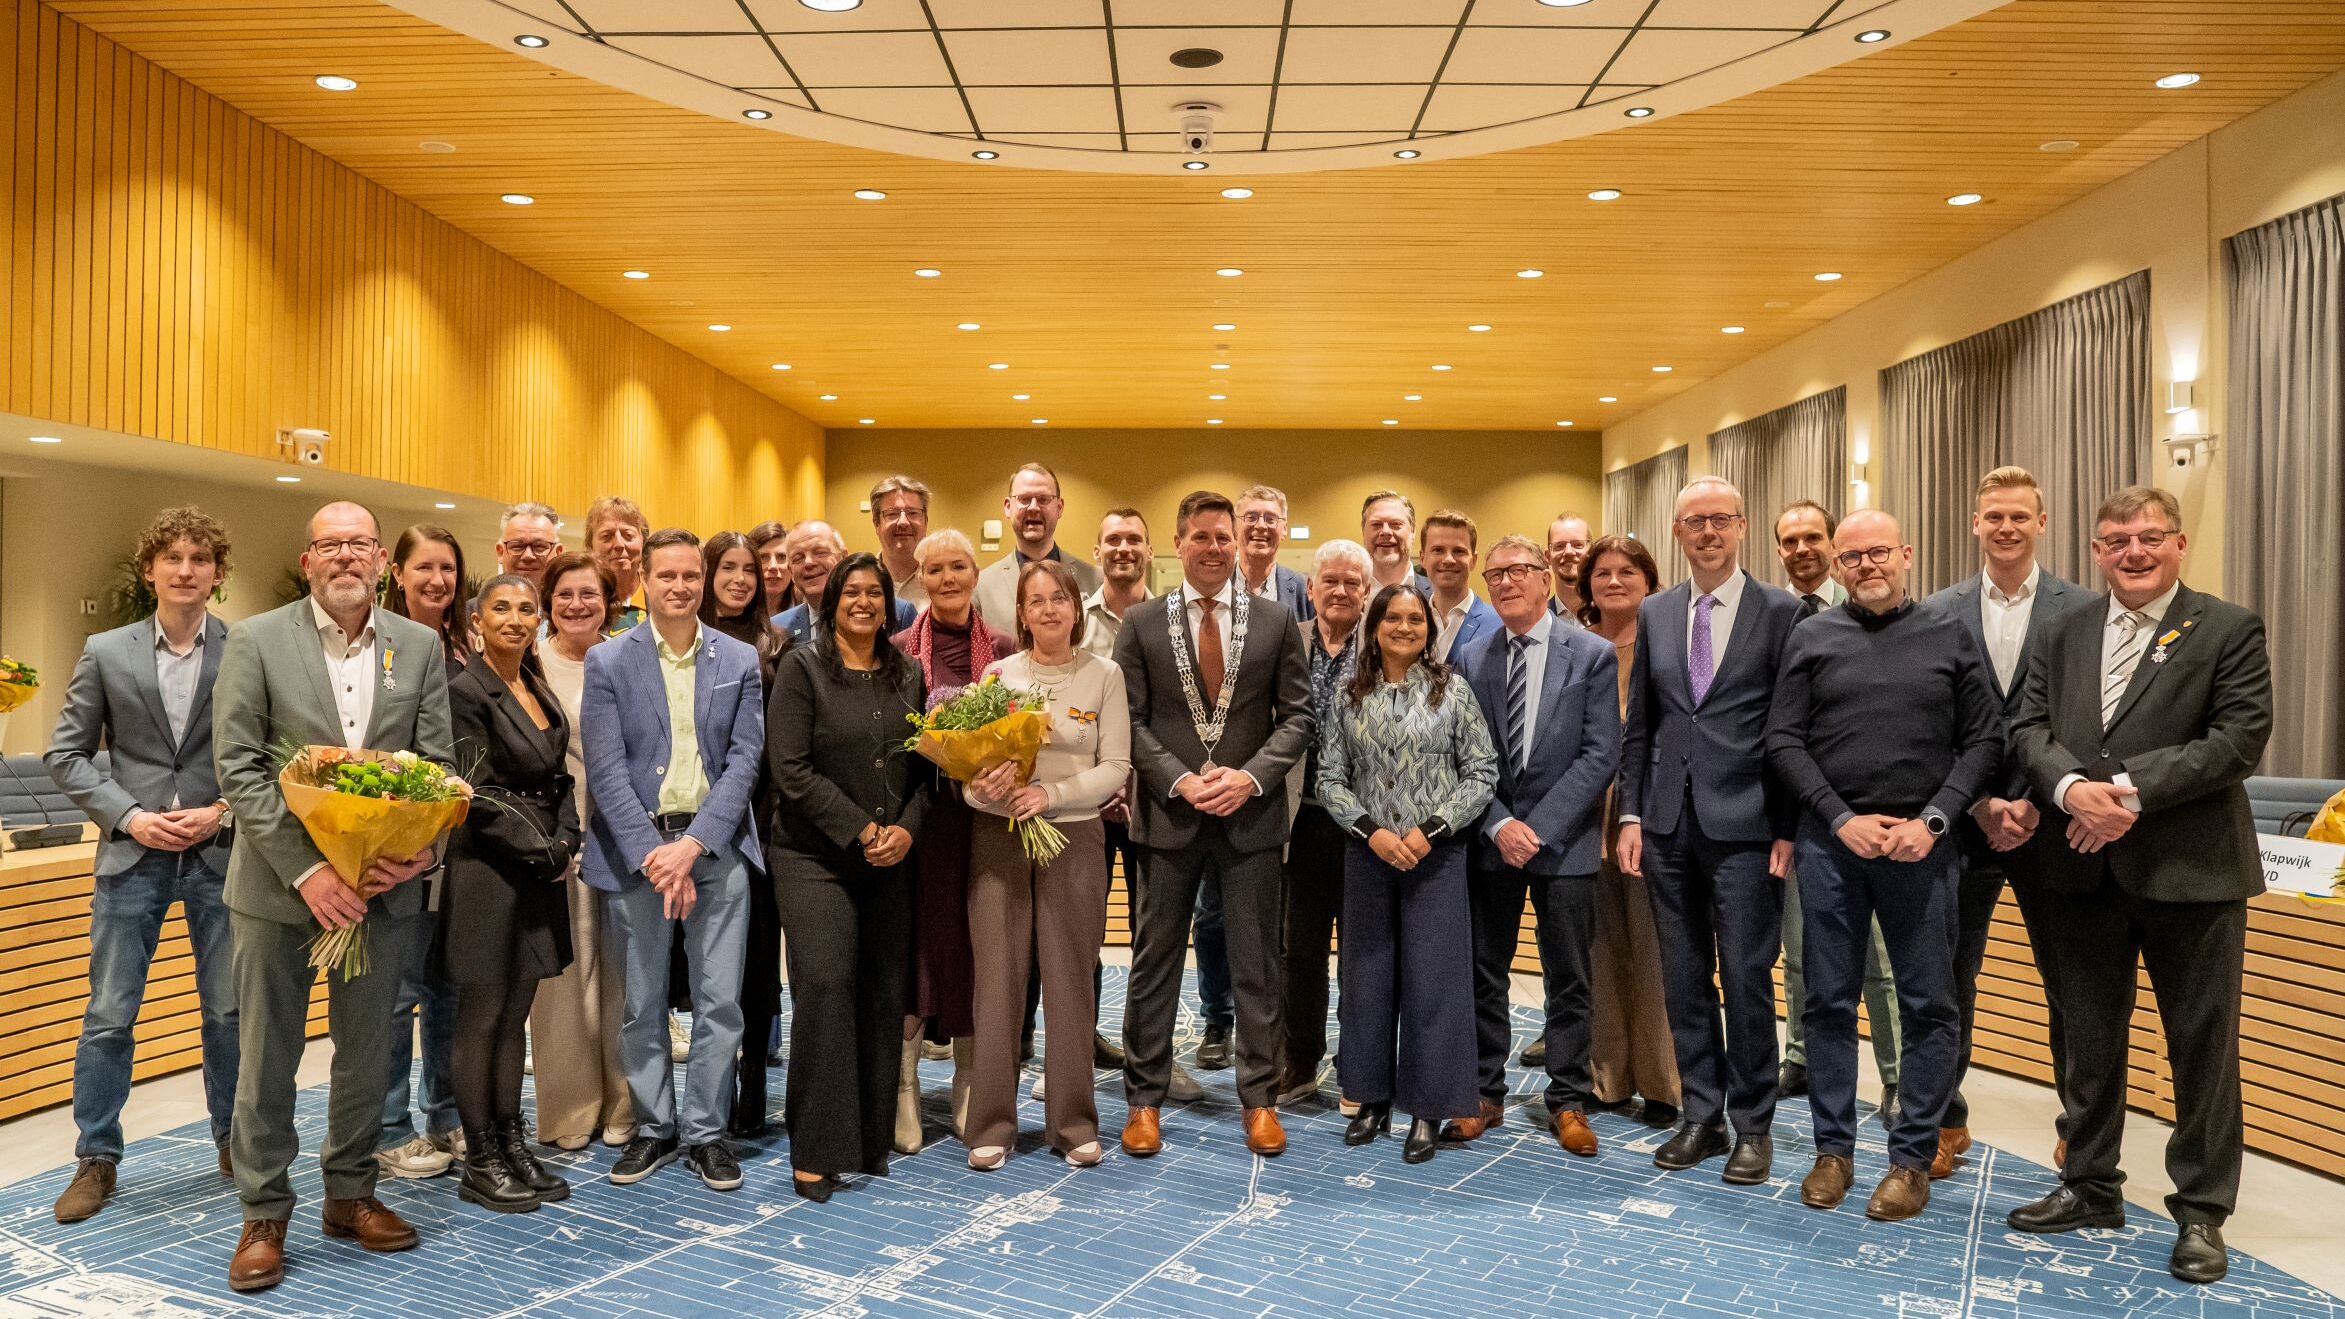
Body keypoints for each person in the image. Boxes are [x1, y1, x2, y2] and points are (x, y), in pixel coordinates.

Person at [2008, 486, 2272, 1285]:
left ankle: (2199, 1210)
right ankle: (2088, 1184)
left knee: (2200, 1046)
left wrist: (2119, 791)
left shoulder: (2228, 627)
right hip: (2078, 868)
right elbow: (2027, 729)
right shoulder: (2060, 633)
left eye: (2148, 537)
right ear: (2094, 549)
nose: (2132, 551)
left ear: (2178, 542)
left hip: (2191, 873)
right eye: (2115, 539)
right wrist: (2064, 790)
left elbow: (2237, 739)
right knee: (2086, 1037)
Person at [213, 501, 451, 1293]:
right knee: (268, 1057)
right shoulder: (254, 639)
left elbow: (440, 768)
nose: (345, 557)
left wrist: (411, 854)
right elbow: (240, 768)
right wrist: (309, 870)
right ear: (308, 559)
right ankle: (264, 1211)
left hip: (382, 892)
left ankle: (351, 1195)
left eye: (359, 544)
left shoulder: (417, 646)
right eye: (330, 545)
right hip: (281, 892)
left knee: (368, 1053)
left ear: (382, 560)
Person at [1766, 510, 2003, 1223]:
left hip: (1921, 848)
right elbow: (1782, 739)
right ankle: (1832, 1151)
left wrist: (1932, 821)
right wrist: (1839, 817)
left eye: (1877, 552)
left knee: (1929, 1005)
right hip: (1831, 844)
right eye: (1851, 557)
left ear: (1905, 553)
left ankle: (1909, 1160)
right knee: (1827, 1003)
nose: (1865, 565)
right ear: (1837, 568)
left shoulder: (1948, 633)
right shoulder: (1810, 636)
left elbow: (1983, 739)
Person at [44, 507, 238, 1224]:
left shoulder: (244, 648)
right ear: (149, 569)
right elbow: (64, 753)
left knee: (229, 1011)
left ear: (217, 572)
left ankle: (234, 1141)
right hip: (133, 855)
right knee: (108, 1014)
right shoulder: (106, 649)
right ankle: (97, 1157)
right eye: (172, 557)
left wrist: (220, 809)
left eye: (199, 557)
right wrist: (130, 815)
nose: (185, 568)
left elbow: (271, 755)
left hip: (221, 853)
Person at [1115, 490, 1314, 1160]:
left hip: (1248, 816)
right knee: (1153, 963)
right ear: (1178, 543)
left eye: (1221, 537)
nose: (1212, 548)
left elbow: (1297, 718)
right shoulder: (1142, 623)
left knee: (1257, 964)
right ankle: (1143, 1098)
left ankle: (1258, 1098)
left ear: (1237, 544)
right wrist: (1177, 776)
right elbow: (1129, 722)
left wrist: (1249, 776)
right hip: (1168, 815)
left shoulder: (1275, 621)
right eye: (1199, 537)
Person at [1617, 476, 1801, 1186]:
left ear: (1741, 526)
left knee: (1748, 977)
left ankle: (1753, 1125)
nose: (1707, 532)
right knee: (1684, 975)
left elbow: (1789, 731)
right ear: (1676, 532)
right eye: (1694, 521)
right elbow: (1644, 723)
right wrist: (1630, 814)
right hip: (1665, 823)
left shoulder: (1780, 612)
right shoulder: (1657, 611)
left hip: (1748, 826)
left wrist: (1786, 826)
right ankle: (1702, 1112)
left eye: (1719, 519)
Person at [580, 528, 765, 1193]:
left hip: (716, 849)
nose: (680, 586)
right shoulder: (608, 661)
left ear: (703, 581)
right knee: (642, 1002)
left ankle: (706, 1132)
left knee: (720, 1003)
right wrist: (657, 855)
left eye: (691, 575)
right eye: (667, 576)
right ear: (644, 583)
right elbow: (603, 770)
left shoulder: (738, 658)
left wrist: (693, 846)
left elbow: (745, 760)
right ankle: (655, 1125)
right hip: (637, 857)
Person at [1921, 467, 2093, 1178]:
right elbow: (1927, 725)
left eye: (2018, 516)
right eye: (1992, 516)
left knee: (2070, 986)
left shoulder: (2084, 608)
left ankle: (2078, 1129)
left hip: (2050, 824)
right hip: (1960, 826)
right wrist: (1981, 801)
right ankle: (1941, 1121)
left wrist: (2029, 798)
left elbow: (2086, 719)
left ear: (2041, 522)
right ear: (1974, 523)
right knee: (1944, 983)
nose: (2005, 527)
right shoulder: (1935, 611)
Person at [1445, 535, 1620, 1154]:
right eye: (1495, 574)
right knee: (1484, 972)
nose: (1506, 582)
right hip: (1490, 842)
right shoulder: (1471, 657)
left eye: (1519, 570)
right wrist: (1498, 824)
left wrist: (1537, 828)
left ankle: (1567, 1099)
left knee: (1569, 976)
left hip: (1563, 844)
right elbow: (1462, 758)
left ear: (1545, 578)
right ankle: (1483, 1093)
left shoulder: (1592, 654)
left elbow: (1602, 754)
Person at [766, 555, 930, 1203]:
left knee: (882, 989)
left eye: (874, 592)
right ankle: (814, 1148)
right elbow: (790, 768)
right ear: (831, 600)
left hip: (892, 856)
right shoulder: (801, 668)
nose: (863, 601)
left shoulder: (907, 671)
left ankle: (865, 1139)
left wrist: (907, 830)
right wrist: (863, 830)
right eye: (851, 591)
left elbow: (924, 770)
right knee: (828, 986)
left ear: (887, 604)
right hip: (815, 857)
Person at [961, 560, 1133, 1169]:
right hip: (1001, 842)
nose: (1050, 609)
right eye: (1036, 601)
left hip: (1075, 839)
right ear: (1022, 613)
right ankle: (991, 1124)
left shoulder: (1105, 676)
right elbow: (969, 775)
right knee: (998, 985)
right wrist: (984, 790)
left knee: (1069, 984)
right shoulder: (998, 675)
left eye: (1060, 598)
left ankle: (1073, 1123)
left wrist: (1051, 795)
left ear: (1075, 607)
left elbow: (1117, 767)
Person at [1319, 584, 1497, 1162]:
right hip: (1367, 855)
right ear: (1374, 626)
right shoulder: (1348, 696)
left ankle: (1428, 1106)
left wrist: (1430, 831)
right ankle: (1369, 1098)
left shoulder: (1454, 692)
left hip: (1435, 859)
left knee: (1433, 984)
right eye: (1392, 617)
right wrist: (1371, 830)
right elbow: (1327, 777)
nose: (1403, 626)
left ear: (1429, 629)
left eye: (1415, 618)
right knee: (1366, 980)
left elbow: (1481, 773)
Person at [443, 576, 582, 1213]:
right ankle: (480, 1157)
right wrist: (546, 851)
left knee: (515, 1019)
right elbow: (478, 795)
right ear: (477, 620)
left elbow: (558, 780)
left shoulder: (537, 688)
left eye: (528, 609)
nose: (516, 619)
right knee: (483, 1017)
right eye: (502, 608)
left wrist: (569, 839)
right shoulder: (465, 692)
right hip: (489, 874)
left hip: (540, 870)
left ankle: (510, 1141)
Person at [1770, 500, 1901, 1115]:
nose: (1801, 549)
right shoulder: (1776, 617)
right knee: (1800, 951)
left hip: (1875, 813)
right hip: (1804, 812)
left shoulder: (1881, 614)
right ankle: (1799, 1054)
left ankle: (1896, 1073)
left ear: (1835, 548)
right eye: (1789, 540)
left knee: (1876, 959)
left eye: (1812, 538)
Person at [1078, 509, 1201, 1096]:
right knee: (1079, 932)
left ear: (1152, 549)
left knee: (1157, 939)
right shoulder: (1072, 615)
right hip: (1084, 807)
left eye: (1134, 539)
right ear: (1095, 549)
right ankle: (1073, 1053)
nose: (1123, 548)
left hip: (1158, 802)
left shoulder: (1176, 619)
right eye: (1113, 540)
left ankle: (1150, 1057)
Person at [891, 528, 1002, 1151]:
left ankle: (968, 1075)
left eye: (959, 566)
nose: (948, 578)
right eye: (935, 570)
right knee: (917, 949)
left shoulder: (1006, 651)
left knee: (973, 948)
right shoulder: (900, 651)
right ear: (921, 578)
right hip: (921, 826)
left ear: (975, 570)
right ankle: (904, 1085)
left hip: (985, 828)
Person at [1572, 536, 1682, 1127]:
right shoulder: (1576, 643)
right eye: (1603, 573)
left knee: (1655, 949)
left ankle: (1664, 1083)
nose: (1614, 582)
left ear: (1648, 578)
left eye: (1627, 571)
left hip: (1650, 811)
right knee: (1601, 948)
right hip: (1586, 815)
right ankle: (1608, 1078)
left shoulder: (1670, 640)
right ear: (1588, 585)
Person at [528, 553, 635, 1152]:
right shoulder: (531, 665)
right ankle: (570, 1106)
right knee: (562, 975)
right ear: (549, 602)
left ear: (608, 601)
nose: (576, 604)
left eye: (589, 593)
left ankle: (625, 1100)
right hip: (556, 838)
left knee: (624, 971)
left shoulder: (627, 658)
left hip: (625, 835)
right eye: (564, 593)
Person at [376, 525, 470, 1182]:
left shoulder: (471, 646)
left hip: (462, 848)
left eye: (448, 568)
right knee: (396, 992)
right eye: (425, 567)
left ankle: (445, 1110)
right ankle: (388, 1127)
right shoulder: (376, 647)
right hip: (395, 846)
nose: (437, 579)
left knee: (448, 989)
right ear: (399, 573)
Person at [1273, 539, 1369, 1106]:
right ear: (1309, 589)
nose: (1339, 591)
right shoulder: (1288, 642)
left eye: (1352, 583)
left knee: (1362, 953)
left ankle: (1359, 1063)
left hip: (1362, 825)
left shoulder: (1383, 646)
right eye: (1329, 581)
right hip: (1298, 820)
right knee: (1299, 952)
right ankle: (1299, 1061)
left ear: (1365, 592)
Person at [698, 529, 788, 1135]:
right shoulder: (682, 640)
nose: (738, 580)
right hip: (690, 822)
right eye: (726, 568)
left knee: (757, 964)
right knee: (702, 969)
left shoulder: (778, 645)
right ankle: (699, 1089)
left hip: (761, 823)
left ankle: (752, 1079)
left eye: (747, 570)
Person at [976, 463, 1103, 635]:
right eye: (1024, 499)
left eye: (1043, 499)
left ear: (1059, 507)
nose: (1034, 507)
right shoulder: (982, 586)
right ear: (1007, 506)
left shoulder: (1095, 580)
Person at [774, 519, 915, 642]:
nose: (809, 563)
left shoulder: (899, 614)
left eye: (820, 552)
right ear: (790, 570)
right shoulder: (778, 628)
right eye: (798, 558)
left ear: (843, 557)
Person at [1421, 510, 1499, 663]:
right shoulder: (1409, 623)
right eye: (1438, 550)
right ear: (1423, 558)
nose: (1449, 559)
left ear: (1474, 560)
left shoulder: (1498, 624)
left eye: (1458, 551)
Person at [1235, 484, 1313, 621]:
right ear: (1235, 526)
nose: (1260, 525)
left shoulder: (1303, 589)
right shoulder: (1216, 585)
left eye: (1271, 519)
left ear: (1284, 529)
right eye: (1251, 517)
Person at [586, 496, 650, 633]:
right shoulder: (579, 601)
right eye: (606, 536)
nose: (619, 545)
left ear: (643, 542)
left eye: (628, 535)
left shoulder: (660, 597)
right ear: (590, 545)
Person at [870, 474, 932, 608]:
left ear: (925, 522)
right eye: (892, 513)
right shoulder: (861, 580)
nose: (903, 522)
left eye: (913, 513)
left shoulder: (942, 582)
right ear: (876, 524)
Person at [1360, 490, 1432, 596]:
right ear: (1363, 531)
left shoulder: (1439, 593)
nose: (1385, 532)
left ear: (1413, 531)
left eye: (1396, 524)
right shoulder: (1347, 594)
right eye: (1376, 524)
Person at [492, 502, 564, 594]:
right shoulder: (475, 608)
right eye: (517, 546)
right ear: (500, 552)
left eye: (539, 546)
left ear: (558, 553)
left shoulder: (572, 607)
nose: (528, 556)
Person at [1546, 514, 1592, 617]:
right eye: (1559, 546)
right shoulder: (1537, 620)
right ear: (1548, 556)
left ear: (1591, 553)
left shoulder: (1610, 615)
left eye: (1578, 545)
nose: (1569, 552)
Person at [748, 519, 794, 620]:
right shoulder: (732, 613)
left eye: (781, 557)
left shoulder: (808, 611)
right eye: (763, 557)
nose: (773, 566)